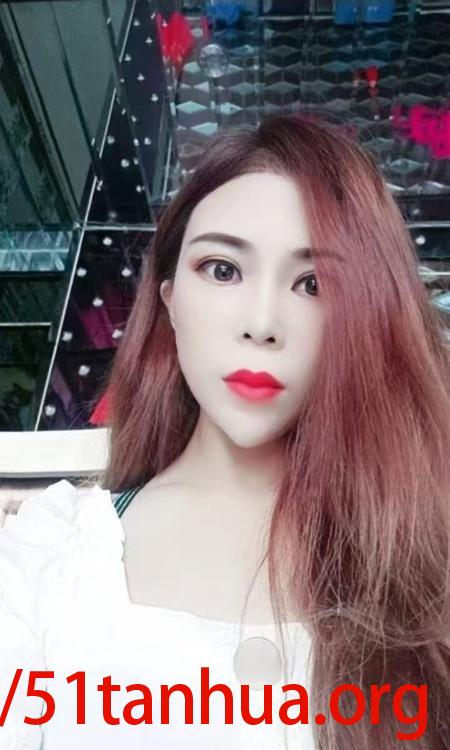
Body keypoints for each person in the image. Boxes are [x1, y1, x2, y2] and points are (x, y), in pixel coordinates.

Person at [0, 112, 449, 750]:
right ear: (168, 299)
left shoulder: (424, 556)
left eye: (313, 284)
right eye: (222, 269)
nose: (261, 323)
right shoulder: (46, 561)